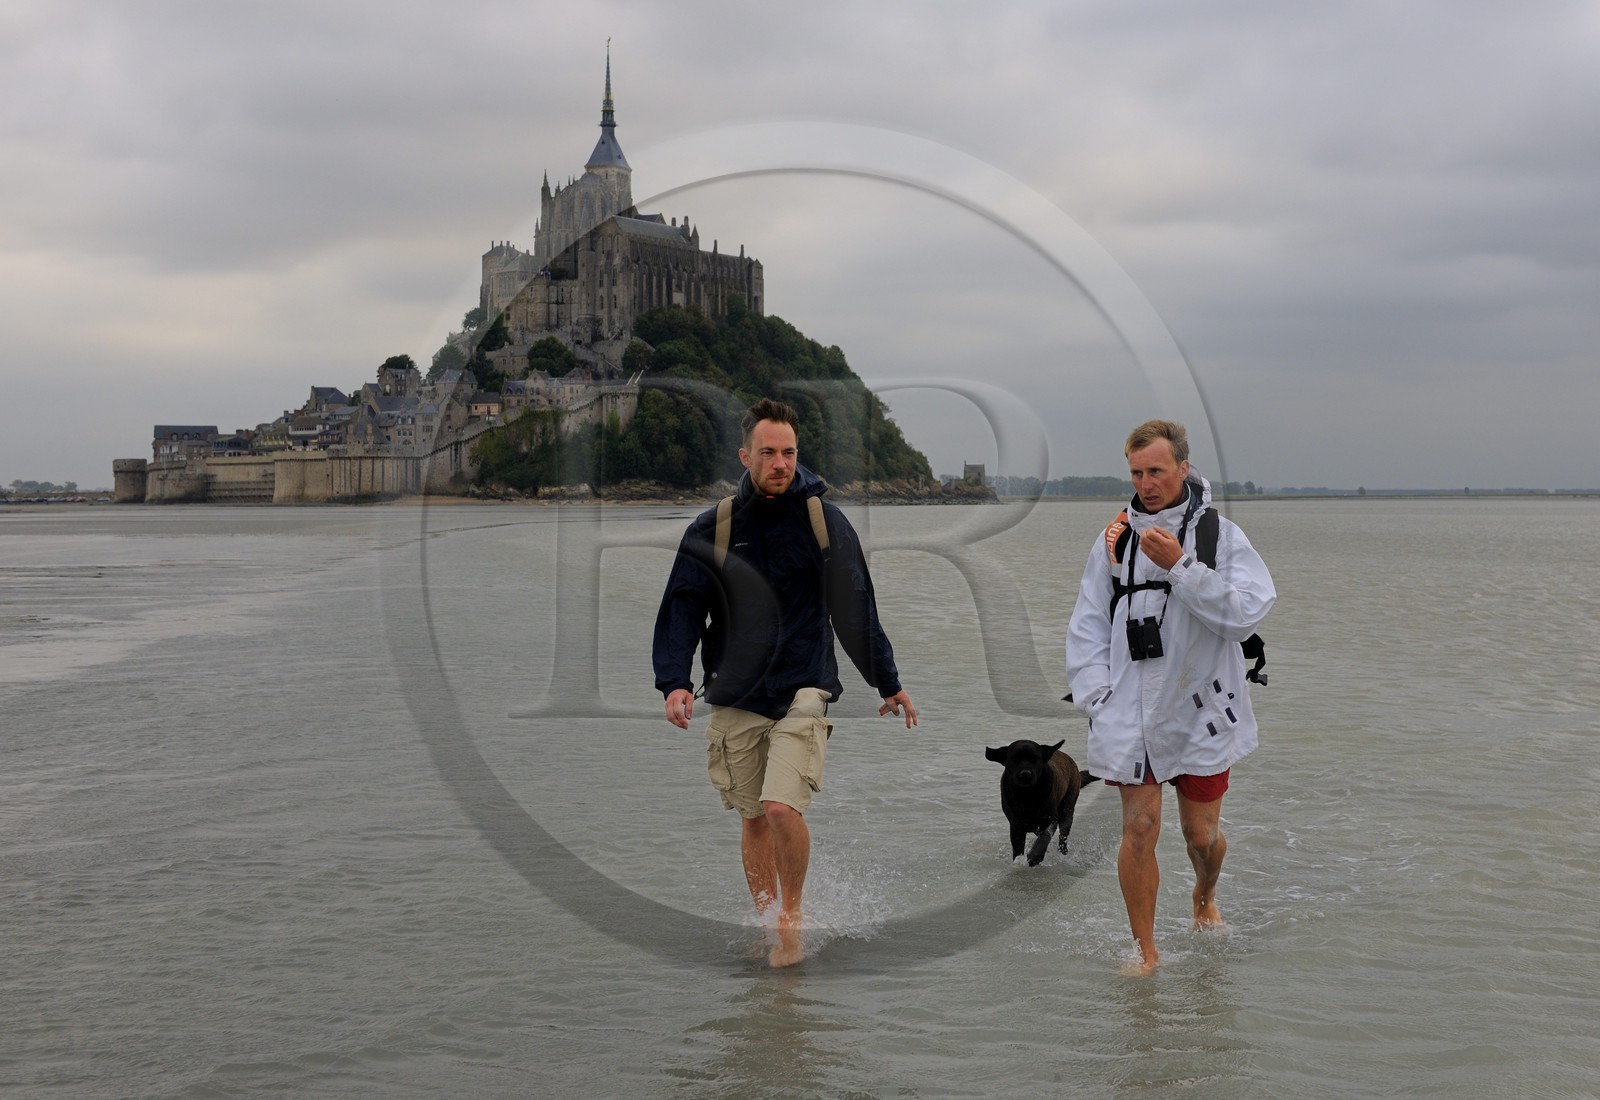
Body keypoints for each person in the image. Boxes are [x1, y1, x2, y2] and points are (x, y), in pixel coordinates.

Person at [653, 397, 917, 968]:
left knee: (778, 808)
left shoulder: (823, 520)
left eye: (789, 452)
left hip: (804, 681)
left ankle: (790, 921)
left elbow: (855, 609)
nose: (780, 463)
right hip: (735, 689)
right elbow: (683, 606)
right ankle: (766, 915)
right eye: (769, 452)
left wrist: (887, 681)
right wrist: (674, 681)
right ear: (745, 455)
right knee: (752, 816)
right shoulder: (715, 526)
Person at [1066, 419, 1275, 974]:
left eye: (1156, 471)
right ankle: (1146, 952)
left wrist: (1180, 568)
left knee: (1201, 836)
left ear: (1183, 467)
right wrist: (1095, 696)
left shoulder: (1219, 535)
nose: (1146, 484)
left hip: (1202, 705)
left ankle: (1204, 894)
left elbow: (1248, 612)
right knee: (1138, 829)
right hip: (1128, 705)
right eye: (1136, 473)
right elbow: (1087, 622)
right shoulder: (1114, 538)